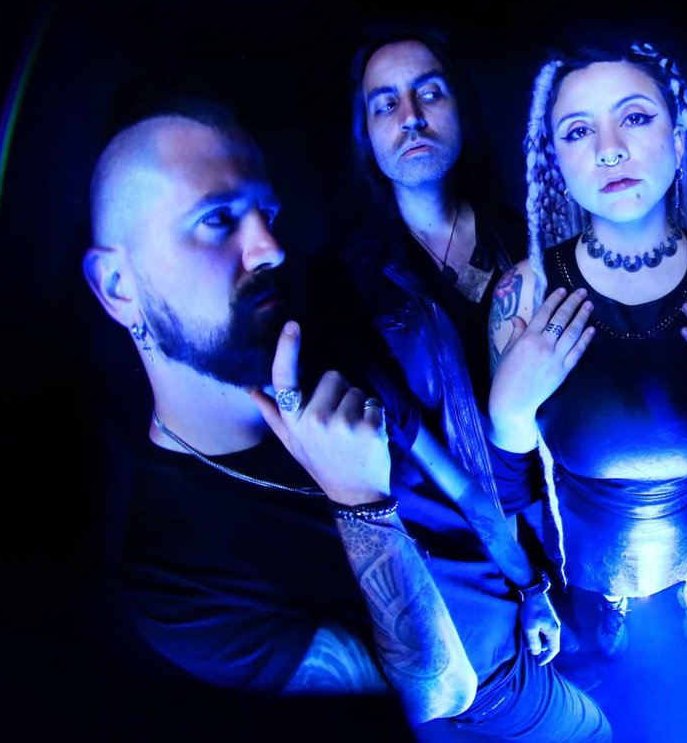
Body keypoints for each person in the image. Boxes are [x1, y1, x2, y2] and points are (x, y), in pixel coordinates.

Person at [82, 103, 477, 723]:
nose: (269, 248)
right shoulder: (173, 580)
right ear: (117, 286)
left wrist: (528, 578)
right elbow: (437, 694)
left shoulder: (319, 353)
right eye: (217, 219)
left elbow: (454, 481)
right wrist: (360, 502)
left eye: (266, 215)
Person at [304, 30, 612, 741]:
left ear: (459, 109)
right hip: (462, 545)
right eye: (385, 103)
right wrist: (527, 585)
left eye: (429, 92)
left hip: (557, 507)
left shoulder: (526, 234)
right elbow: (452, 475)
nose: (411, 116)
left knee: (590, 629)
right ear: (366, 134)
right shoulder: (343, 282)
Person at [485, 41, 687, 657]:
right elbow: (514, 454)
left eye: (633, 116)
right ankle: (616, 605)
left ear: (678, 141)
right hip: (592, 527)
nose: (610, 149)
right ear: (558, 163)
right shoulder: (523, 292)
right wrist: (506, 410)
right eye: (579, 131)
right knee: (610, 583)